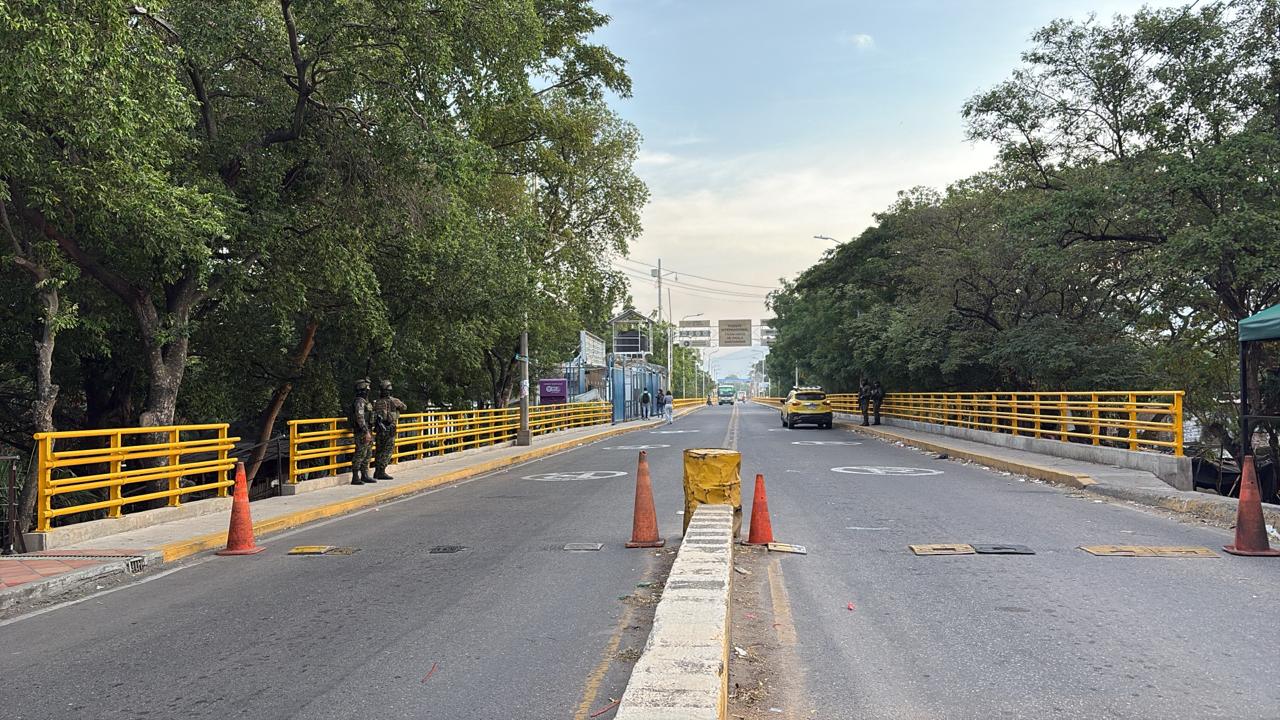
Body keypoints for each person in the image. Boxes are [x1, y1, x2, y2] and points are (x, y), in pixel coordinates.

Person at [372, 379, 407, 480]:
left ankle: (377, 471)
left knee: (379, 450)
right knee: (388, 451)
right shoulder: (394, 400)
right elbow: (404, 407)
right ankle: (381, 471)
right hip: (389, 429)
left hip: (379, 429)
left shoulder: (376, 402)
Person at [350, 378, 375, 485]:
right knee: (360, 454)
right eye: (366, 389)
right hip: (362, 431)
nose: (368, 392)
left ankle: (364, 474)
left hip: (367, 429)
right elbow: (360, 418)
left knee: (367, 453)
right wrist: (366, 431)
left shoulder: (365, 401)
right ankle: (355, 477)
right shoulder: (359, 402)